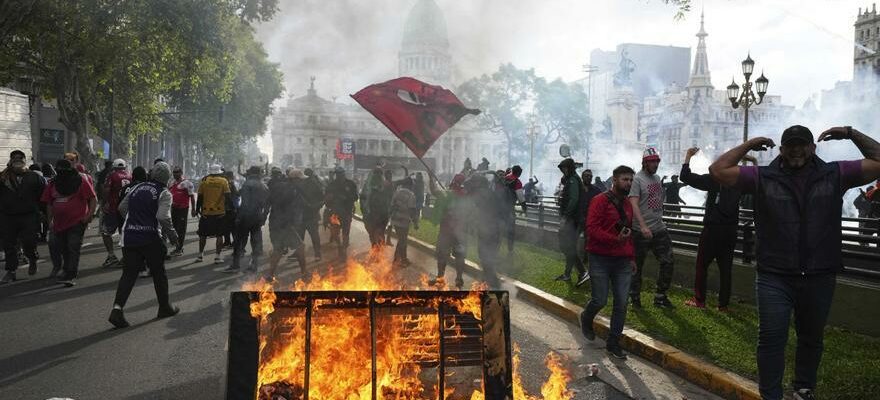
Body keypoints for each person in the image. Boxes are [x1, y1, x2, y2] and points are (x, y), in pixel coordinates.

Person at [709, 125, 880, 400]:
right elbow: (717, 170)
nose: (797, 150)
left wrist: (851, 133)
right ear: (782, 149)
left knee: (811, 338)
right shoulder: (762, 177)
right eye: (791, 145)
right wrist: (750, 144)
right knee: (772, 339)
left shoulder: (835, 174)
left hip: (819, 273)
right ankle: (771, 395)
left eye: (802, 145)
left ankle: (803, 389)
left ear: (813, 148)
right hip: (774, 275)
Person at [679, 148, 755, 311]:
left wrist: (688, 157)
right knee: (726, 268)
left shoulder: (713, 180)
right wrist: (753, 162)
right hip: (731, 230)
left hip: (712, 229)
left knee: (702, 265)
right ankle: (723, 305)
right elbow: (756, 182)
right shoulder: (739, 182)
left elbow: (685, 176)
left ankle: (700, 301)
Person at [108, 162, 180, 328]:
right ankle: (164, 307)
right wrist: (173, 236)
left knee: (128, 274)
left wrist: (134, 220)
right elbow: (163, 217)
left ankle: (117, 310)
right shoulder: (164, 193)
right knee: (158, 272)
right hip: (150, 238)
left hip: (130, 237)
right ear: (167, 178)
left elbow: (121, 207)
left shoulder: (136, 187)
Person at [580, 165, 636, 360]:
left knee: (621, 303)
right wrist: (615, 240)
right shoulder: (599, 201)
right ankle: (586, 317)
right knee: (600, 300)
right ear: (614, 180)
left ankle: (613, 343)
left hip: (622, 261)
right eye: (624, 179)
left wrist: (631, 257)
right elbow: (591, 229)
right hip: (600, 258)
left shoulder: (628, 205)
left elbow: (629, 234)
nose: (628, 183)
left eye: (630, 180)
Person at [628, 147, 675, 309]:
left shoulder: (656, 178)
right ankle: (634, 297)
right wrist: (642, 226)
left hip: (659, 228)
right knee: (636, 266)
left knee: (668, 260)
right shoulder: (637, 180)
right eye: (652, 161)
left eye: (657, 161)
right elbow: (633, 203)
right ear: (644, 163)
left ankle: (660, 297)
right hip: (640, 231)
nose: (655, 164)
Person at [42, 159, 97, 286]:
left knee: (73, 246)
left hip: (77, 221)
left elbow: (92, 199)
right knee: (62, 247)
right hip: (59, 223)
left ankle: (71, 274)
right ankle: (66, 269)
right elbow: (49, 203)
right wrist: (50, 220)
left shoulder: (80, 181)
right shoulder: (53, 183)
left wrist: (89, 215)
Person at [0, 150, 46, 283]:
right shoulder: (3, 177)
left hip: (29, 215)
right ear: (10, 161)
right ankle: (11, 271)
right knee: (9, 244)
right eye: (14, 158)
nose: (17, 160)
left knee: (29, 242)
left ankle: (32, 259)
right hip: (8, 216)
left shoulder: (34, 177)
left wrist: (43, 212)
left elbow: (42, 196)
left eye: (20, 157)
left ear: (25, 160)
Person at [428, 174, 467, 289]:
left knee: (442, 255)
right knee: (459, 255)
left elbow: (434, 190)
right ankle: (459, 278)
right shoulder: (467, 197)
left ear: (453, 182)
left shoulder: (447, 194)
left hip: (446, 231)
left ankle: (440, 278)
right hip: (460, 233)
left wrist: (431, 178)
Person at [227, 166, 269, 273]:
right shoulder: (264, 186)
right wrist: (263, 217)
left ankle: (236, 265)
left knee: (239, 241)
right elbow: (267, 205)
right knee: (255, 242)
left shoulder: (247, 184)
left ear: (250, 173)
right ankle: (254, 265)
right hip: (257, 216)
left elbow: (244, 202)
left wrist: (239, 217)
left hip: (246, 216)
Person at [554, 158, 589, 285]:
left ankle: (583, 272)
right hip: (573, 219)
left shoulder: (573, 180)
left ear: (569, 168)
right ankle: (568, 274)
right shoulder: (572, 179)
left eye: (565, 168)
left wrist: (565, 216)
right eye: (562, 168)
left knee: (566, 246)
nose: (563, 170)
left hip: (572, 220)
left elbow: (574, 199)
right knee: (569, 247)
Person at [266, 169, 306, 278]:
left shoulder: (280, 187)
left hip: (276, 223)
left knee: (278, 250)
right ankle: (304, 273)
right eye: (300, 180)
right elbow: (287, 208)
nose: (302, 182)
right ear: (295, 180)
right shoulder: (291, 190)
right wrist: (289, 222)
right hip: (284, 225)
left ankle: (270, 275)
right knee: (300, 246)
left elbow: (269, 201)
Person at [465, 174, 502, 288]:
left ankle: (493, 283)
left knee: (485, 256)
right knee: (488, 256)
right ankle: (488, 280)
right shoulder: (490, 193)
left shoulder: (481, 193)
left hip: (487, 230)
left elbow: (467, 187)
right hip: (493, 229)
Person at [195, 164, 232, 264]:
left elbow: (200, 197)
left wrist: (197, 209)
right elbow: (228, 196)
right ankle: (217, 257)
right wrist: (231, 209)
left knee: (203, 235)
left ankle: (200, 256)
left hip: (206, 213)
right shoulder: (223, 181)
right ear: (219, 172)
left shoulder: (204, 182)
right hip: (219, 213)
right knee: (219, 235)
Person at [100, 159, 131, 268]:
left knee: (105, 232)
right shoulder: (129, 175)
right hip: (126, 210)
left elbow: (106, 190)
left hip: (113, 209)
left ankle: (111, 256)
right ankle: (126, 257)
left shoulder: (112, 175)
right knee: (124, 234)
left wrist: (104, 203)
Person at [325, 166, 359, 259]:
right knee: (335, 232)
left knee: (346, 233)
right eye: (338, 174)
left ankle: (344, 249)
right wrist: (329, 199)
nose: (339, 176)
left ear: (344, 174)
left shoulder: (350, 184)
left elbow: (356, 197)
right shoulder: (331, 185)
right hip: (335, 213)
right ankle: (340, 246)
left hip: (347, 212)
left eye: (341, 174)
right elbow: (326, 200)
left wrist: (346, 198)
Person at [389, 177, 418, 267]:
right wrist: (415, 222)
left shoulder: (397, 192)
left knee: (401, 240)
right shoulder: (411, 195)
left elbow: (392, 205)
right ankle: (403, 260)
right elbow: (412, 210)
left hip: (395, 220)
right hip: (404, 221)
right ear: (410, 185)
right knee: (403, 241)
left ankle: (397, 259)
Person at [168, 166, 196, 256]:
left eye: (177, 172)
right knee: (175, 228)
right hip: (174, 209)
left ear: (181, 173)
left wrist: (194, 209)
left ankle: (179, 249)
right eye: (174, 172)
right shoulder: (172, 183)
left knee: (181, 229)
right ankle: (178, 247)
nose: (175, 174)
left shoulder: (187, 183)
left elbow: (192, 197)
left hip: (183, 209)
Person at [500, 165, 526, 255]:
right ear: (518, 172)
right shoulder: (517, 182)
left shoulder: (504, 178)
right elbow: (521, 198)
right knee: (511, 230)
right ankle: (510, 250)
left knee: (497, 229)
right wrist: (524, 208)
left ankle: (495, 248)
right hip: (509, 209)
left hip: (498, 207)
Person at [300, 168, 324, 261]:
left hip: (310, 214)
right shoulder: (302, 185)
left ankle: (316, 253)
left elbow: (322, 199)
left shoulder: (315, 185)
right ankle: (302, 254)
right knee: (304, 237)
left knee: (312, 236)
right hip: (304, 215)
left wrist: (314, 207)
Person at [222, 170, 239, 251]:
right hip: (232, 207)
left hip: (229, 208)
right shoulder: (234, 183)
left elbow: (230, 196)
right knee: (230, 227)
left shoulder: (229, 184)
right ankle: (229, 242)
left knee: (229, 227)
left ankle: (231, 242)